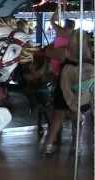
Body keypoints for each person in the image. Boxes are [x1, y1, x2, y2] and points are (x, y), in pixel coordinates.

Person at [44, 8, 76, 155]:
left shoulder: (61, 33)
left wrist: (55, 15)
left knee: (59, 113)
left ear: (66, 26)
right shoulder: (73, 38)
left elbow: (52, 21)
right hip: (67, 70)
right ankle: (75, 141)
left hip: (59, 67)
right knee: (72, 113)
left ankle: (49, 145)